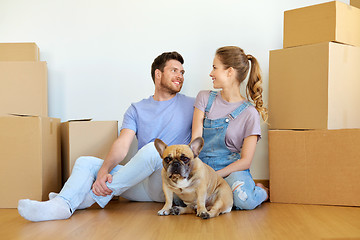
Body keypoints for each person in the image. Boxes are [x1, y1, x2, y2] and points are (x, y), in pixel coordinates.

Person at [18, 51, 195, 222]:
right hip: (139, 183)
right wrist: (103, 171)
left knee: (151, 150)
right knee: (85, 162)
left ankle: (83, 199)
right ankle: (63, 204)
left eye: (182, 72)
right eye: (174, 70)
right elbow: (122, 144)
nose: (180, 75)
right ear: (158, 74)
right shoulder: (137, 109)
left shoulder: (192, 105)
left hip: (169, 183)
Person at [192, 46, 269, 210]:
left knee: (244, 200)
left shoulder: (250, 113)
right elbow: (195, 142)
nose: (210, 73)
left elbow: (245, 161)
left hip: (231, 171)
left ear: (229, 72)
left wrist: (215, 176)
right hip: (202, 166)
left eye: (214, 68)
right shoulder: (204, 98)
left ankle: (262, 191)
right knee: (183, 199)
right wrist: (198, 173)